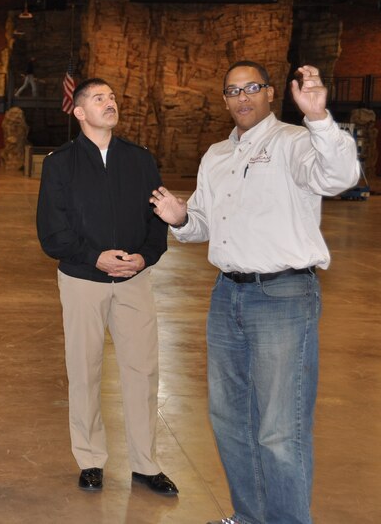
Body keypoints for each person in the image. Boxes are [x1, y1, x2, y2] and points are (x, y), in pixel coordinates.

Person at [150, 62, 359, 524]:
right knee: (230, 421)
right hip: (227, 297)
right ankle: (250, 516)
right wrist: (180, 217)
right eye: (232, 91)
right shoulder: (216, 155)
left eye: (252, 88)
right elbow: (201, 224)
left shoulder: (295, 142)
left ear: (269, 94)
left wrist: (320, 118)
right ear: (224, 100)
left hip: (283, 297)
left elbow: (339, 177)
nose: (242, 97)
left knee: (280, 430)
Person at [36, 78, 179, 497]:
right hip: (83, 280)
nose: (110, 103)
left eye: (114, 97)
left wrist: (145, 257)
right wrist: (92, 256)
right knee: (84, 370)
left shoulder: (139, 159)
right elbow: (51, 231)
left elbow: (158, 218)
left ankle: (145, 464)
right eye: (99, 98)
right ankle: (91, 459)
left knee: (143, 370)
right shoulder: (60, 163)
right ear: (78, 112)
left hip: (134, 280)